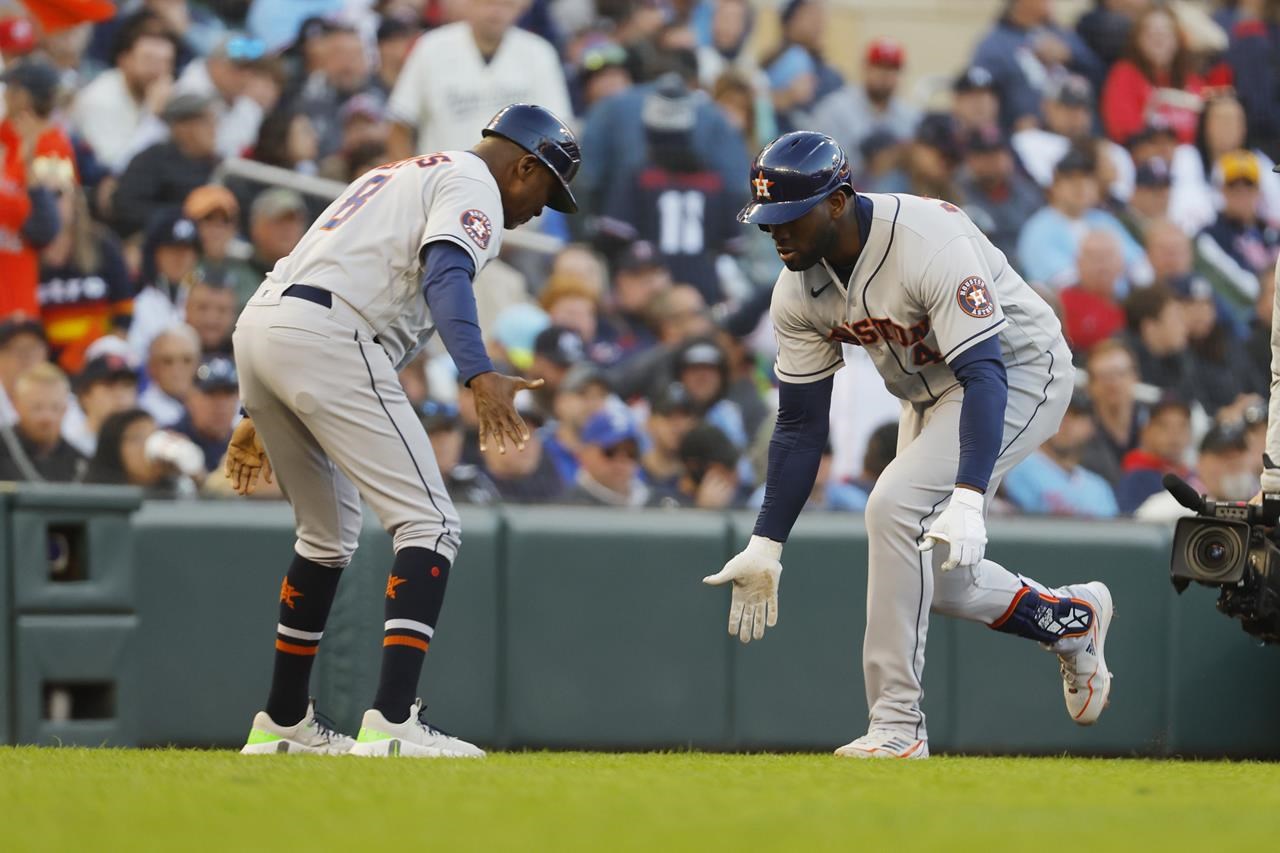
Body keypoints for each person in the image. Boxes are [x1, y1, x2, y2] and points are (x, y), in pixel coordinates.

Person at [704, 131, 1113, 761]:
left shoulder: (926, 238)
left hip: (1018, 371)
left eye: (790, 216)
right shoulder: (797, 290)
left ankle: (897, 725)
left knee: (891, 507)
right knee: (937, 575)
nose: (776, 233)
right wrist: (766, 542)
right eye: (767, 219)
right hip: (929, 393)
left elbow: (985, 375)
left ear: (838, 201)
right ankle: (1069, 621)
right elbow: (800, 424)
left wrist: (970, 496)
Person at [228, 104, 579, 758]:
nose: (541, 209)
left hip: (264, 328)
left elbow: (312, 275)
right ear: (525, 164)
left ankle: (281, 722)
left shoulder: (398, 173)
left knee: (326, 536)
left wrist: (254, 409)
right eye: (547, 191)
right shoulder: (475, 184)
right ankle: (393, 720)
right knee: (432, 524)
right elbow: (448, 270)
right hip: (329, 334)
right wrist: (478, 374)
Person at [386, 0, 572, 160]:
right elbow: (400, 125)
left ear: (522, 5)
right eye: (487, 2)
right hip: (444, 186)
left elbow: (556, 133)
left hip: (516, 190)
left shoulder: (539, 52)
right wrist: (415, 184)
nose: (495, 11)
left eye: (505, 3)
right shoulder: (431, 47)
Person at [1016, 146, 1150, 290]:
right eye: (1070, 179)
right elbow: (1060, 280)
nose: (1080, 186)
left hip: (1118, 305)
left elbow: (1139, 265)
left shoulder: (1104, 220)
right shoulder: (1039, 228)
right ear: (1054, 187)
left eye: (1087, 179)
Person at [37, 185, 133, 374]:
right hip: (41, 371)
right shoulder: (20, 252)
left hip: (97, 367)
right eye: (41, 194)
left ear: (75, 199)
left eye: (57, 194)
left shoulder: (102, 243)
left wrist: (104, 360)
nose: (49, 202)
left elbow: (124, 310)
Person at [971, 0, 1104, 132]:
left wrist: (1069, 56)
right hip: (1025, 136)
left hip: (1078, 135)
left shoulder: (1063, 34)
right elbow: (981, 97)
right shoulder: (995, 44)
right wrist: (1009, 129)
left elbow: (1099, 74)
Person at [1011, 73, 1134, 202]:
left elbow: (1123, 201)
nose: (1079, 116)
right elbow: (1046, 191)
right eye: (1070, 107)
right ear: (1047, 106)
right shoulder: (1029, 141)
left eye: (1085, 109)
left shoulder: (1114, 152)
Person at [69, 25, 175, 172]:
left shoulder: (160, 94)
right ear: (124, 60)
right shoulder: (100, 99)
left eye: (165, 62)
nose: (157, 70)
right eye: (148, 60)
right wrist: (154, 118)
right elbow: (116, 168)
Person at [807, 37, 919, 175]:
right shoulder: (834, 109)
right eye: (879, 67)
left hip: (893, 192)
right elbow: (815, 161)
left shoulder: (910, 117)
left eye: (892, 69)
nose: (885, 75)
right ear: (865, 68)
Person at [1003, 390, 1120, 518]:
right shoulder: (1013, 466)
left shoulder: (1099, 489)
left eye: (1076, 415)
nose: (1066, 421)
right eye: (1059, 412)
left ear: (1091, 427)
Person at [1101, 5, 1204, 146]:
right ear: (1137, 40)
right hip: (1143, 157)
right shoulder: (1124, 75)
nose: (1158, 41)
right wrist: (1153, 106)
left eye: (1165, 34)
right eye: (1150, 34)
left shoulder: (1192, 79)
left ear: (1178, 40)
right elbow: (1122, 132)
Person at [956, 124, 1044, 260]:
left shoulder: (1028, 192)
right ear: (970, 159)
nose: (991, 161)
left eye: (997, 154)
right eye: (983, 155)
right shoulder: (956, 192)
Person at [128, 212, 202, 359]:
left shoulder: (205, 297)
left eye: (187, 250)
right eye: (172, 249)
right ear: (155, 254)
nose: (180, 258)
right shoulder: (138, 302)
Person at [84, 407, 203, 497]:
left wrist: (196, 478)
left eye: (154, 434)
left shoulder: (178, 489)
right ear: (112, 448)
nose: (147, 443)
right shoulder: (94, 496)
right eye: (137, 437)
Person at [0, 363, 85, 482]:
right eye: (37, 407)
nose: (47, 417)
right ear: (15, 405)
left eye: (55, 407)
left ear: (65, 409)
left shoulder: (81, 465)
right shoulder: (4, 449)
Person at [1078, 339, 1145, 487]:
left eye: (1120, 374)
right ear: (1089, 385)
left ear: (1135, 377)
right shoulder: (1078, 436)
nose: (1113, 383)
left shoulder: (1153, 427)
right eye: (1104, 376)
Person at [184, 184, 259, 308]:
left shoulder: (245, 273)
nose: (217, 229)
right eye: (208, 219)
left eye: (225, 221)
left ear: (235, 228)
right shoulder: (177, 264)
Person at [1114, 397, 1193, 513]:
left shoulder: (1195, 477)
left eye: (1182, 426)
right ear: (1146, 431)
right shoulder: (1133, 478)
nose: (1174, 434)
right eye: (1164, 426)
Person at [564, 408, 651, 507]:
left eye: (631, 453)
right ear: (585, 454)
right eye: (610, 451)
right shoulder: (569, 508)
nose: (622, 460)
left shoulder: (656, 501)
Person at [420, 401, 501, 506]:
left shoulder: (472, 480)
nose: (443, 442)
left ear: (460, 439)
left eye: (449, 432)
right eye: (433, 433)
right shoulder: (406, 482)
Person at [1059, 229, 1127, 353]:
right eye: (1093, 258)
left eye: (1108, 257)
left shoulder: (1133, 303)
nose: (1102, 266)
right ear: (1078, 263)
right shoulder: (1063, 304)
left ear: (1121, 262)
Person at [62, 354, 139, 457]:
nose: (120, 394)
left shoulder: (143, 451)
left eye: (127, 385)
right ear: (85, 396)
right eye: (109, 386)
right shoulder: (69, 446)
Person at [173, 354, 239, 472]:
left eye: (228, 394)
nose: (220, 404)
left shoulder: (247, 444)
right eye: (211, 394)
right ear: (190, 398)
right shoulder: (172, 438)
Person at [138, 324, 200, 427]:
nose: (177, 370)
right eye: (167, 362)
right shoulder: (142, 414)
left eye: (187, 360)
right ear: (152, 367)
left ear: (198, 363)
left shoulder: (217, 404)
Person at [0, 317, 49, 428]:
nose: (26, 357)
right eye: (16, 349)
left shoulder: (62, 397)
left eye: (32, 348)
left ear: (45, 354)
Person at [184, 276, 237, 355]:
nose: (211, 318)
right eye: (202, 308)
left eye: (222, 310)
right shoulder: (165, 354)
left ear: (234, 315)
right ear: (186, 309)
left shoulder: (247, 358)